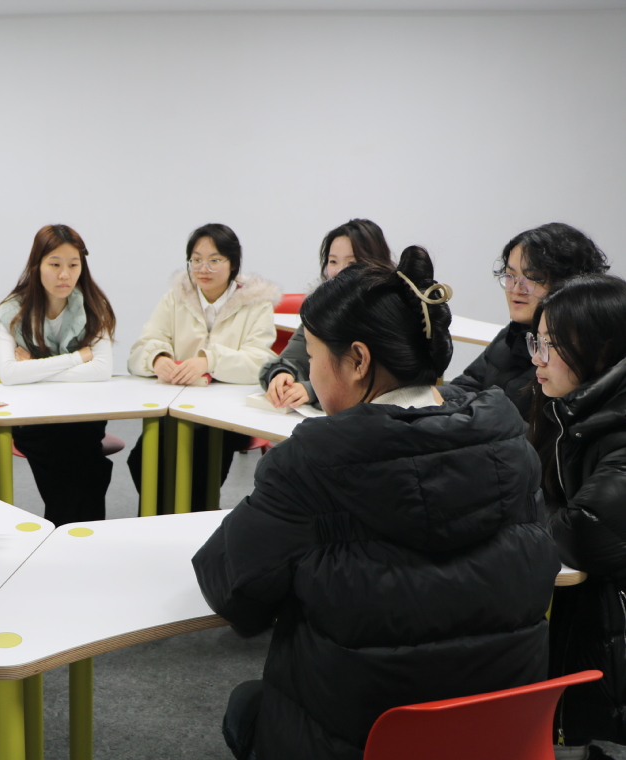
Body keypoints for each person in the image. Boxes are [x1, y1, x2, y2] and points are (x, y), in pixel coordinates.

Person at [193, 247, 558, 760]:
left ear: (359, 361)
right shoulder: (510, 446)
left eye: (313, 358)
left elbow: (233, 591)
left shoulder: (312, 465)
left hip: (362, 741)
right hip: (494, 735)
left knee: (246, 707)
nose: (310, 374)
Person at [525, 275, 626, 760]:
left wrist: (523, 519)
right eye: (536, 342)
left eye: (551, 345)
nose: (537, 358)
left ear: (600, 349)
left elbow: (583, 531)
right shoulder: (571, 407)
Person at [128, 223, 279, 513]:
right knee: (141, 460)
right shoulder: (176, 297)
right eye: (196, 260)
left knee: (198, 465)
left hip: (227, 414)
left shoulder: (256, 303)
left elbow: (260, 362)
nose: (203, 269)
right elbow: (141, 348)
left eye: (214, 260)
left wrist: (210, 361)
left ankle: (186, 524)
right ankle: (162, 521)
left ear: (233, 264)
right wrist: (158, 358)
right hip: (176, 409)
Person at [0, 224, 117, 526]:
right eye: (55, 264)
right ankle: (78, 531)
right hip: (35, 419)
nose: (65, 275)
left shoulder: (93, 306)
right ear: (37, 265)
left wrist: (34, 367)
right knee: (76, 463)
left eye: (73, 265)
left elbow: (102, 369)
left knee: (79, 454)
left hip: (82, 416)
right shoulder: (11, 311)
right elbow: (9, 374)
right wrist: (77, 358)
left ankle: (67, 531)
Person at [442, 222, 608, 419]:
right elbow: (466, 386)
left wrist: (477, 416)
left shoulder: (576, 352)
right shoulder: (514, 333)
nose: (516, 288)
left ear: (568, 283)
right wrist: (420, 397)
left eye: (533, 278)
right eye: (510, 275)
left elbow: (547, 429)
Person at [259, 218, 393, 410]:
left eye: (352, 262)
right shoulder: (321, 311)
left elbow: (381, 386)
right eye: (333, 261)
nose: (339, 271)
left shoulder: (390, 314)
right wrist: (282, 375)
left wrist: (311, 391)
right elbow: (290, 359)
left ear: (376, 264)